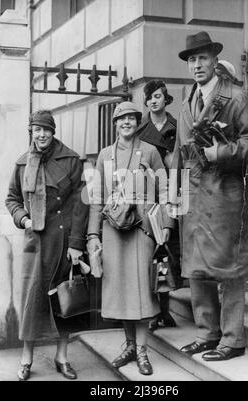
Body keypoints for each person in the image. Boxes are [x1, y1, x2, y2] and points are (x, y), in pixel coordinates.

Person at [170, 31, 248, 361]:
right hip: (195, 198)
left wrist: (220, 153)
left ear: (214, 61)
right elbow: (178, 155)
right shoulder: (187, 103)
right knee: (198, 269)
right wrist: (174, 193)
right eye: (192, 60)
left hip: (226, 195)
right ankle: (208, 333)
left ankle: (232, 339)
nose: (197, 65)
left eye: (203, 59)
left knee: (230, 268)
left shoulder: (236, 97)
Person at [87, 102, 174, 375]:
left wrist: (167, 223)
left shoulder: (149, 151)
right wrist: (92, 233)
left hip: (142, 231)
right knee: (122, 293)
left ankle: (142, 351)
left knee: (143, 292)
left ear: (138, 122)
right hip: (113, 233)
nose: (127, 122)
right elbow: (96, 198)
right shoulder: (104, 155)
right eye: (121, 118)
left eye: (132, 118)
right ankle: (128, 345)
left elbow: (166, 188)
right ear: (115, 123)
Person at [5, 110, 89, 380]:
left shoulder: (71, 160)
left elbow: (80, 205)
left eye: (46, 130)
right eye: (37, 129)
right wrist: (24, 219)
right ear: (31, 131)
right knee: (33, 302)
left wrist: (77, 244)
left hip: (64, 243)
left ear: (54, 132)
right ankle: (26, 358)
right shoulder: (22, 164)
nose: (41, 135)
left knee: (64, 300)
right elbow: (12, 199)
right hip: (36, 243)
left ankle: (62, 357)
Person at [137, 80, 182, 331]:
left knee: (167, 252)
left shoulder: (178, 126)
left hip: (172, 193)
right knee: (150, 253)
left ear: (166, 99)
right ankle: (154, 311)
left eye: (157, 96)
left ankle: (166, 309)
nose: (153, 101)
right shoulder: (140, 127)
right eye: (149, 98)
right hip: (147, 195)